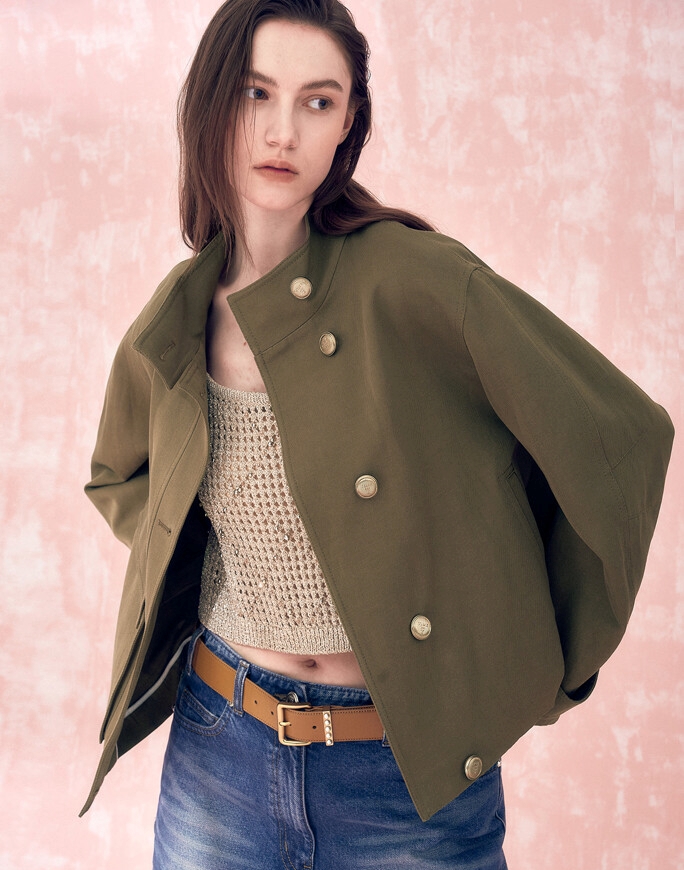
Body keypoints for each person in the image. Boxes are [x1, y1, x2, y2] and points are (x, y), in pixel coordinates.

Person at [80, 0, 674, 867]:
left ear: (348, 124)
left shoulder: (414, 280)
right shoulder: (176, 315)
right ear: (211, 101)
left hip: (406, 774)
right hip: (218, 751)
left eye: (318, 101)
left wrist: (536, 656)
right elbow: (122, 479)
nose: (283, 130)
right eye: (255, 93)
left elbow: (620, 440)